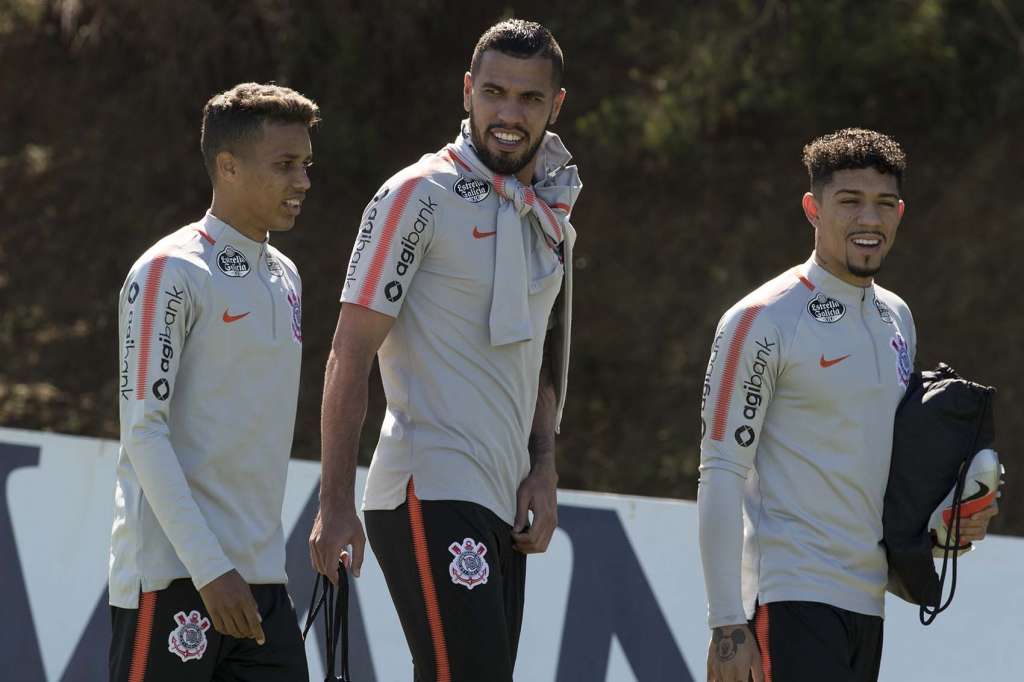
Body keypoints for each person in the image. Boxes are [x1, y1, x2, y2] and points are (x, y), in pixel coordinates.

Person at [308, 18, 581, 682]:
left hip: (501, 497)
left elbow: (540, 353)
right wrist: (334, 500)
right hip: (426, 484)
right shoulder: (416, 195)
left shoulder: (550, 211)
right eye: (493, 93)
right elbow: (350, 351)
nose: (508, 114)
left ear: (556, 106)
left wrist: (542, 468)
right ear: (466, 92)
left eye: (529, 98)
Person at [698, 128, 998, 682]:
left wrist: (943, 520)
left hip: (868, 603)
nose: (870, 219)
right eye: (850, 202)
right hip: (788, 597)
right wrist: (726, 626)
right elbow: (719, 471)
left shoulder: (898, 317)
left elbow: (879, 465)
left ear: (901, 213)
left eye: (885, 204)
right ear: (813, 208)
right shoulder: (760, 319)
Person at [109, 82, 317, 681]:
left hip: (262, 583)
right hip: (173, 580)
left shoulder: (288, 276)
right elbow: (143, 433)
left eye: (306, 165)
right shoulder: (168, 271)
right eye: (284, 165)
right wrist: (208, 568)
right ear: (227, 166)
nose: (302, 181)